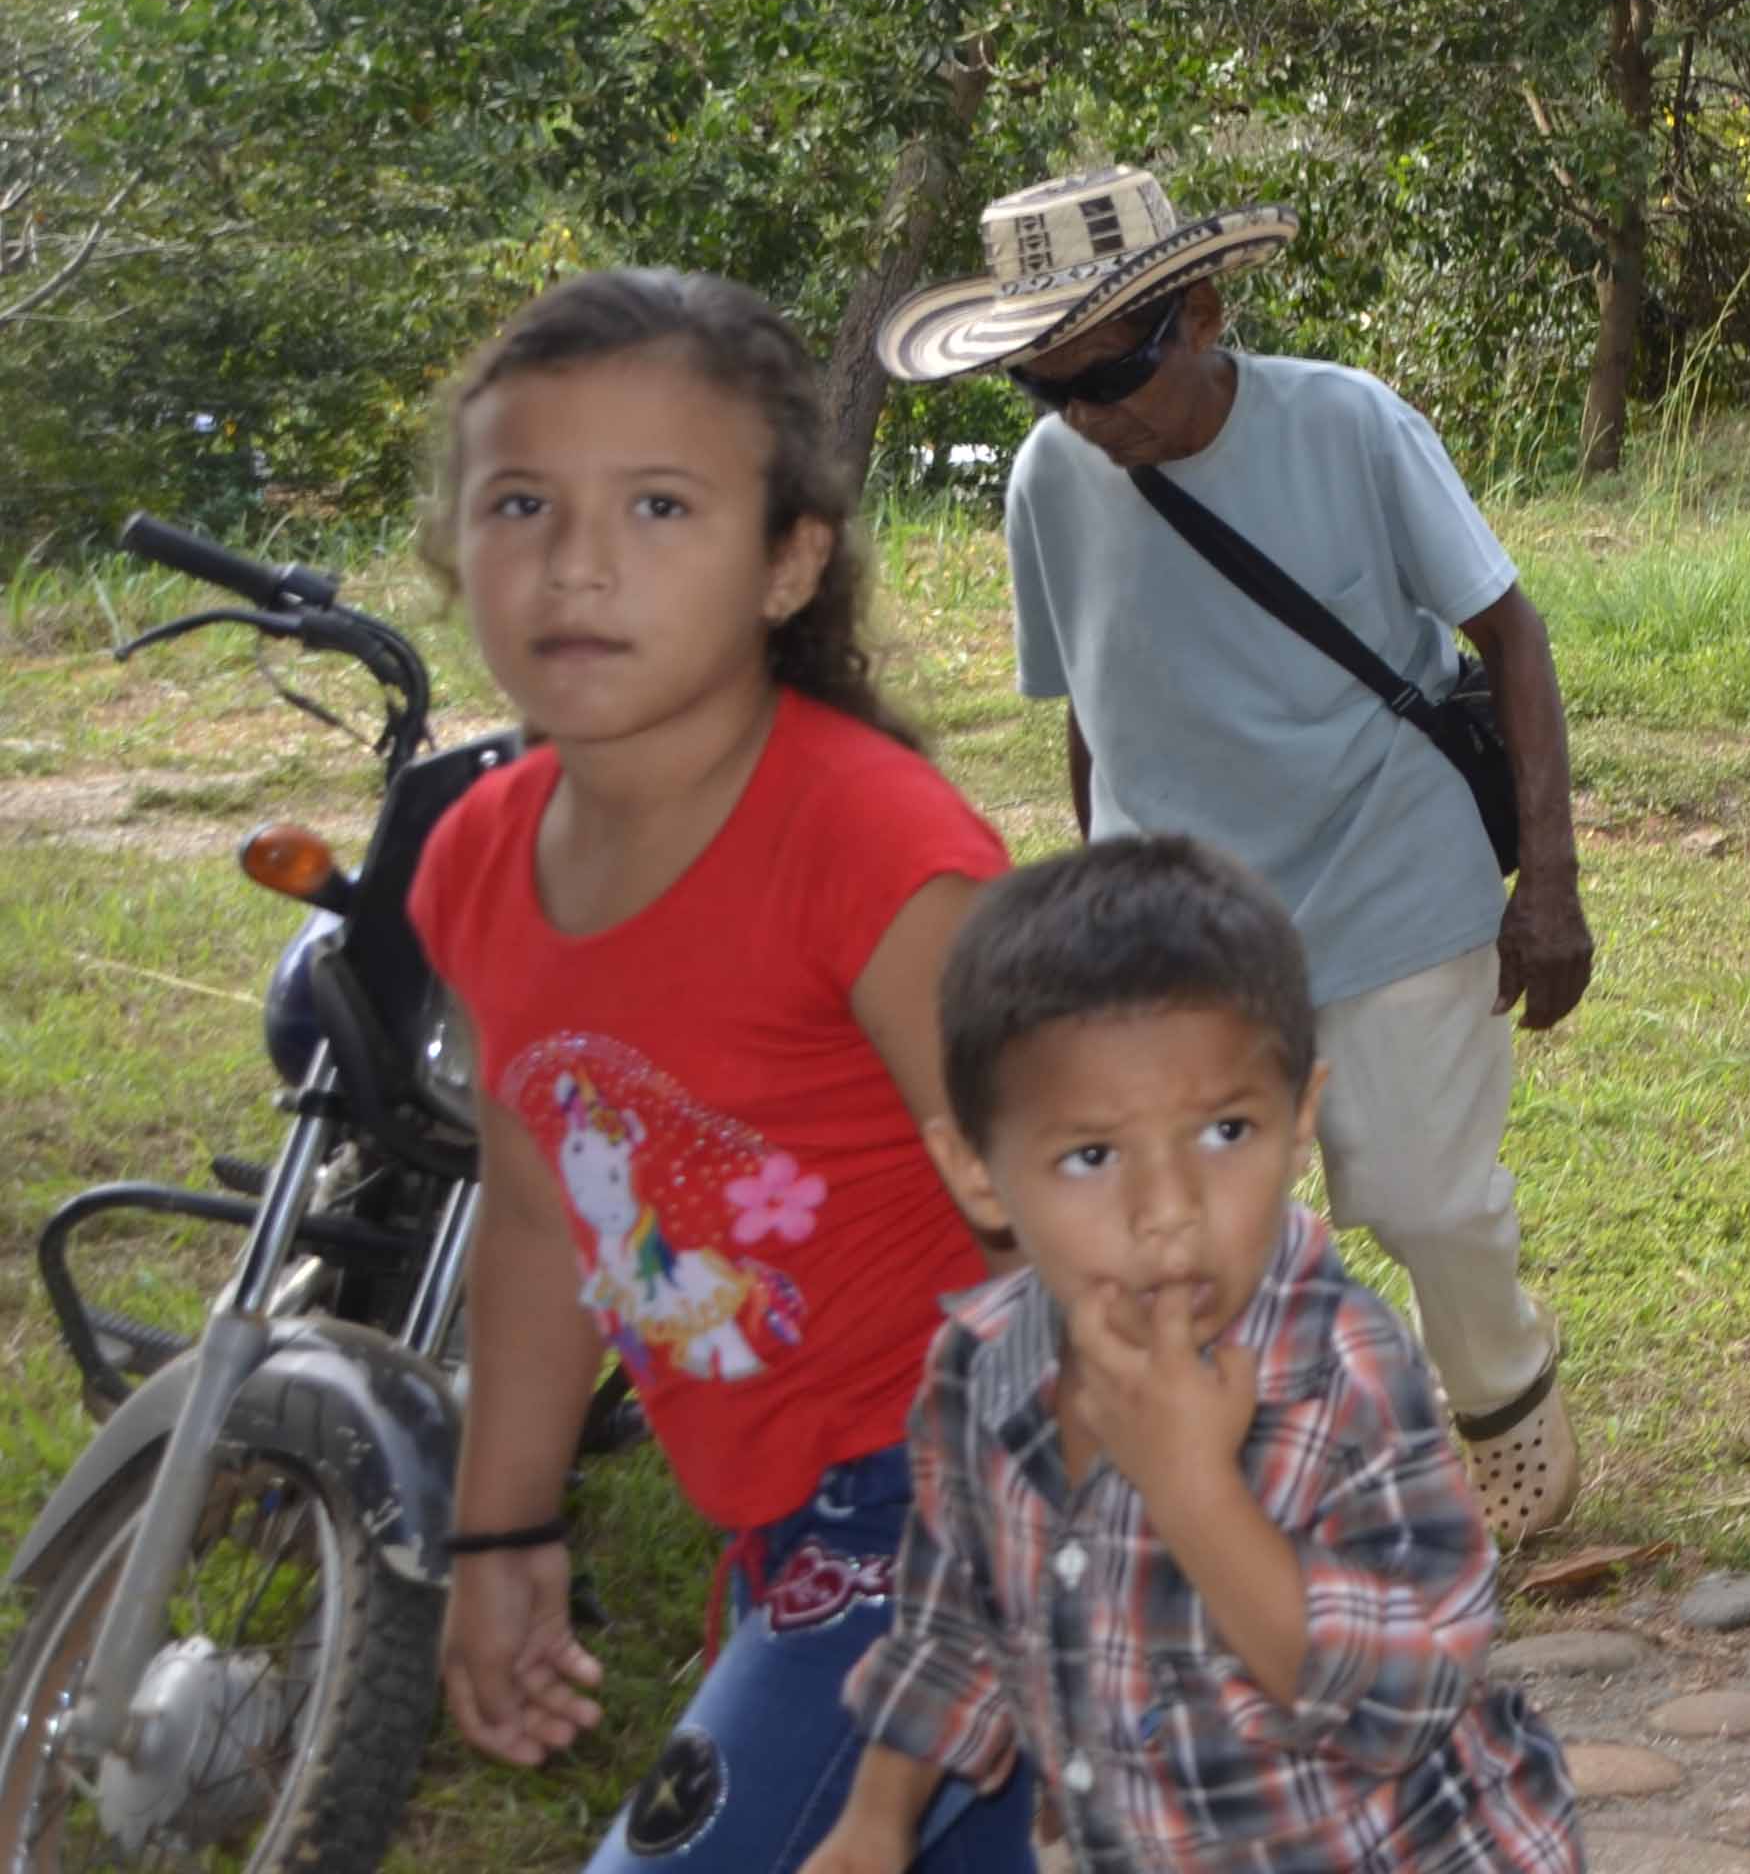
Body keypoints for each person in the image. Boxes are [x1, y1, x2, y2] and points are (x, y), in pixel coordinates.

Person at [404, 270, 1037, 1874]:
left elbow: (1080, 1216)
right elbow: (542, 1217)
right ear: (450, 544)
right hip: (781, 1528)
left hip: (970, 1513)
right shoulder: (476, 855)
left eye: (662, 505)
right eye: (522, 501)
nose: (580, 559)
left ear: (788, 562)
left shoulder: (874, 850)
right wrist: (501, 1526)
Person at [873, 167, 1591, 1544]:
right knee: (1191, 1219)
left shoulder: (1348, 423)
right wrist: (1099, 897)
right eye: (1049, 389)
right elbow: (1096, 697)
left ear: (1201, 313)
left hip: (1391, 855)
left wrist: (1548, 883)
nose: (1091, 415)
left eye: (1115, 372)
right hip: (1186, 910)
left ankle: (1502, 1393)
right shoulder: (1052, 476)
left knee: (1420, 1193)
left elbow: (1513, 633)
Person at [813, 837, 1581, 1874]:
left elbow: (1409, 1700)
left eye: (1224, 1132)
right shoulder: (982, 1370)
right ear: (977, 1173)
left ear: (1299, 1120)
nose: (1167, 1210)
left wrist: (1193, 1492)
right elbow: (959, 1620)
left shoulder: (1340, 1371)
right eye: (1090, 1156)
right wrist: (875, 1821)